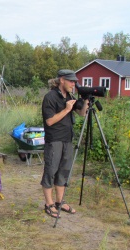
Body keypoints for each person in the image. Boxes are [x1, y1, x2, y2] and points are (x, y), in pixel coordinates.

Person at [40, 69, 88, 218]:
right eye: (71, 81)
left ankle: (60, 202)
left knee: (63, 171)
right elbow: (49, 121)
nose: (74, 84)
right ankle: (49, 204)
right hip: (54, 140)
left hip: (68, 139)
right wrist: (67, 109)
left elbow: (81, 113)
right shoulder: (50, 97)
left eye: (75, 82)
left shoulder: (70, 96)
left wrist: (86, 101)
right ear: (62, 80)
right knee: (51, 171)